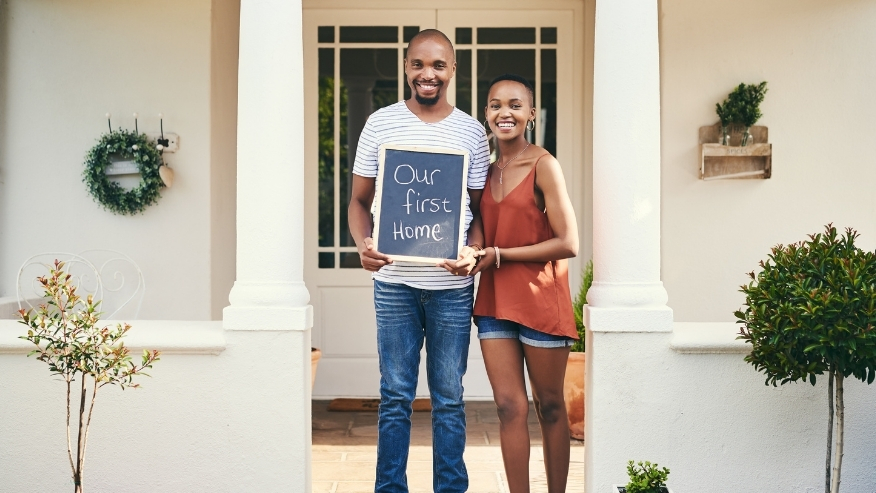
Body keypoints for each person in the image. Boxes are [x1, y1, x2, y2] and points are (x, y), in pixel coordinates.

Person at [347, 29, 490, 493]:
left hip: (450, 289)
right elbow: (357, 201)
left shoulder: (471, 131)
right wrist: (363, 242)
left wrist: (471, 252)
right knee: (394, 398)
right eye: (418, 64)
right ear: (406, 67)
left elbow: (480, 211)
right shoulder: (380, 123)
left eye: (438, 65)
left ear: (452, 70)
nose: (427, 74)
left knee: (449, 399)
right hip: (394, 285)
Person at [469, 74, 579, 493]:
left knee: (549, 406)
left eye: (515, 105)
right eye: (496, 105)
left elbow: (568, 242)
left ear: (531, 115)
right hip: (495, 301)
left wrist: (500, 256)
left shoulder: (544, 164)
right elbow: (481, 221)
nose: (505, 112)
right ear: (487, 114)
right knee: (508, 407)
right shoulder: (485, 169)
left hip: (539, 301)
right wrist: (476, 249)